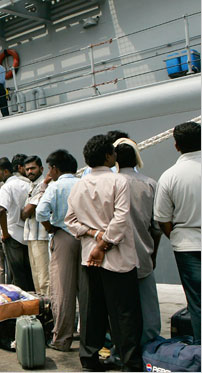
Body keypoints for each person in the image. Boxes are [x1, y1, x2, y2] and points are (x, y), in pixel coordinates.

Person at [65, 134, 142, 371]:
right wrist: (104, 243)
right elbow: (121, 219)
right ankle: (129, 361)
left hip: (90, 259)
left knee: (92, 310)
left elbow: (70, 221)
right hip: (117, 257)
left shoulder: (79, 185)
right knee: (125, 313)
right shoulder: (120, 182)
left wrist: (93, 236)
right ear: (109, 156)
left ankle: (89, 358)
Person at [154, 121, 201, 343]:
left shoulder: (169, 176)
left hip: (187, 244)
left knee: (197, 302)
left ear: (176, 146)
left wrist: (175, 236)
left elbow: (162, 219)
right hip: (187, 241)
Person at [115, 140, 161, 347]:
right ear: (136, 158)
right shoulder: (150, 184)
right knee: (149, 307)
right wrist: (153, 255)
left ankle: (123, 348)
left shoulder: (111, 184)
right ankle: (151, 347)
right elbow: (156, 227)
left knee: (120, 307)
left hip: (115, 256)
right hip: (144, 252)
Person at [36, 149, 80, 352]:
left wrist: (50, 228)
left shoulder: (56, 186)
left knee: (62, 291)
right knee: (86, 291)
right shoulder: (83, 183)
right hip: (87, 239)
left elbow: (41, 212)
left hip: (63, 236)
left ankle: (62, 339)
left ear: (54, 168)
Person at [0, 157, 34, 291]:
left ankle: (20, 306)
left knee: (17, 274)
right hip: (27, 232)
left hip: (12, 235)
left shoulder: (6, 187)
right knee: (29, 272)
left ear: (6, 171)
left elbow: (1, 210)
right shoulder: (26, 184)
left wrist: (4, 233)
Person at [20, 156, 50, 295]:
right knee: (36, 276)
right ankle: (43, 309)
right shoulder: (32, 186)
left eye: (33, 168)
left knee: (44, 277)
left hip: (42, 235)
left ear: (41, 169)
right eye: (27, 169)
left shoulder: (44, 185)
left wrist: (26, 209)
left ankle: (50, 309)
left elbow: (27, 211)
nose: (30, 171)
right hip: (32, 235)